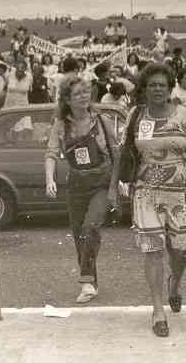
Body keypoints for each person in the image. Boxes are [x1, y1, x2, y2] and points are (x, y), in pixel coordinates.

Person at [108, 64, 186, 338]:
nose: (157, 89)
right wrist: (113, 187)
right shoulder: (135, 115)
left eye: (161, 85)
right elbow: (123, 154)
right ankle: (158, 309)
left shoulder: (184, 117)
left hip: (179, 194)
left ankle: (175, 283)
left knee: (179, 251)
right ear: (144, 89)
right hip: (146, 192)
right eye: (152, 85)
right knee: (152, 249)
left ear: (169, 88)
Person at [45, 77, 117, 304]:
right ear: (67, 99)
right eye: (77, 94)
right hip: (76, 184)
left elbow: (117, 153)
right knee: (79, 236)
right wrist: (50, 179)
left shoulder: (102, 121)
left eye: (86, 92)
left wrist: (116, 186)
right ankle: (91, 283)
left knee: (90, 226)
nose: (84, 97)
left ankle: (85, 280)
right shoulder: (60, 125)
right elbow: (51, 154)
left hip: (101, 182)